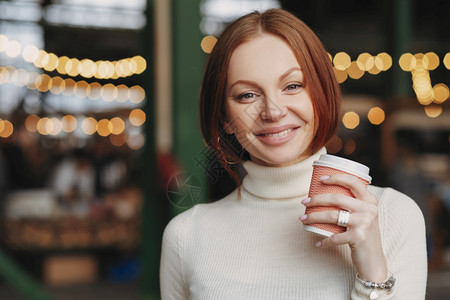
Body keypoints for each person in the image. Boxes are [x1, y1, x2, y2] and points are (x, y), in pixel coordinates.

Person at [160, 8, 427, 299]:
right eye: (247, 95)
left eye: (293, 86)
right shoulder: (186, 235)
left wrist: (373, 274)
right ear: (224, 116)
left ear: (320, 94)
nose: (273, 112)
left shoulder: (392, 215)